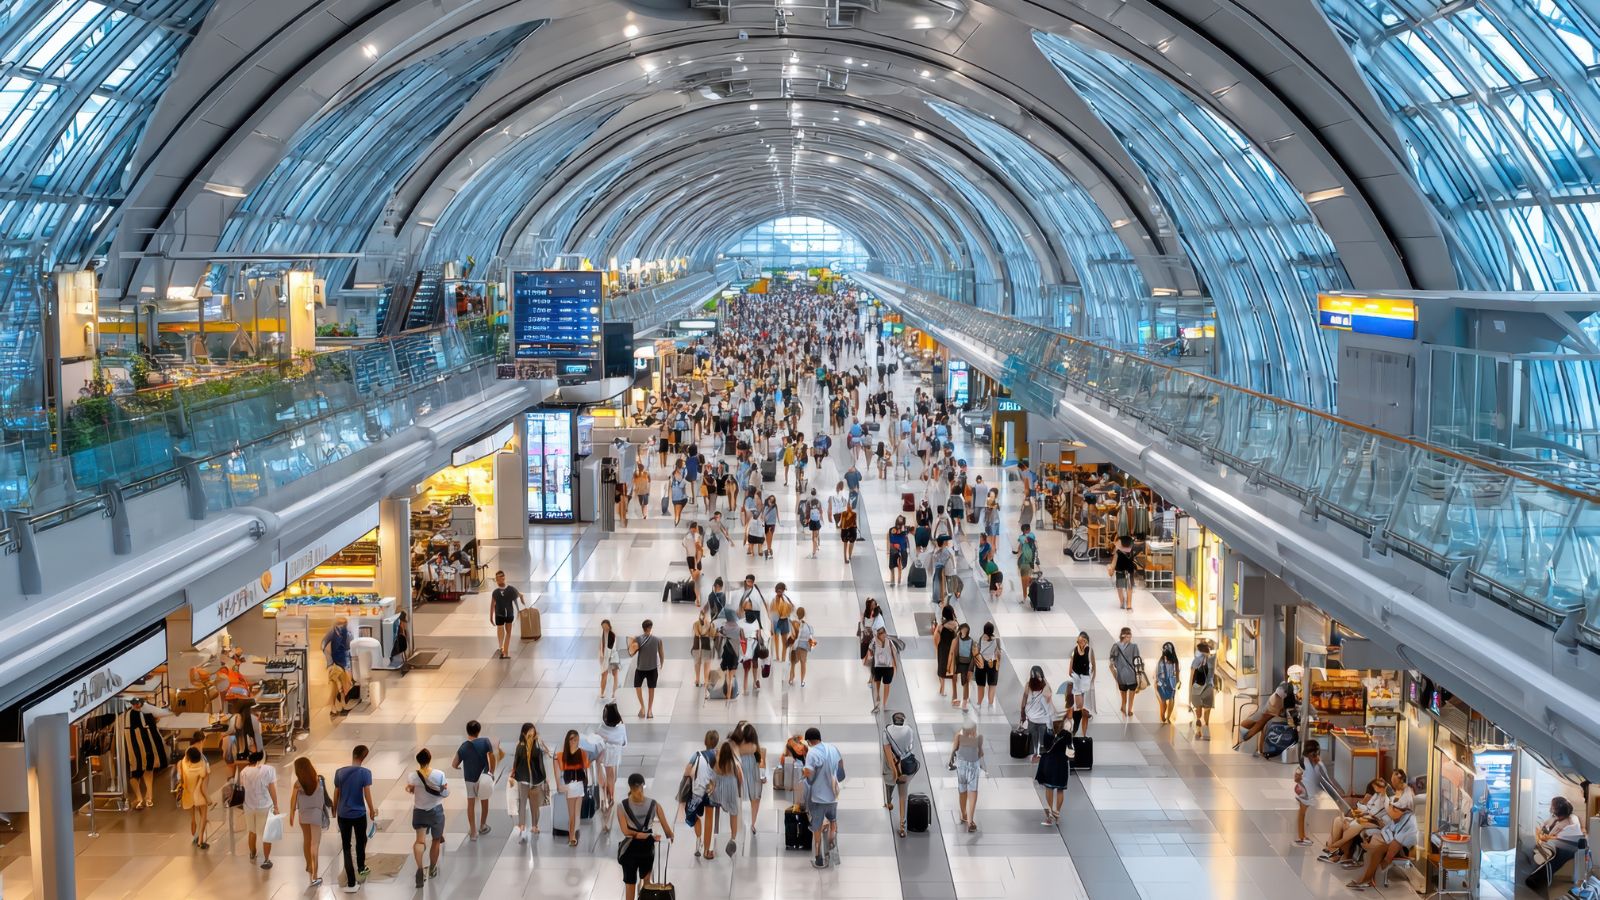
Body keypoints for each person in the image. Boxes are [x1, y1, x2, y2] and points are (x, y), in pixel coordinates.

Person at [616, 772, 674, 900]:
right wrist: (668, 837)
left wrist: (637, 834)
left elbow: (625, 831)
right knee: (647, 885)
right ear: (643, 786)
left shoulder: (621, 806)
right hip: (647, 849)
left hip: (629, 849)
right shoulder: (654, 804)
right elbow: (668, 831)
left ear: (629, 787)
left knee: (630, 884)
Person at [1346, 789, 1418, 891]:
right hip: (1390, 841)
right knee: (1372, 841)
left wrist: (1385, 861)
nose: (1391, 809)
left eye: (1394, 808)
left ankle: (1366, 880)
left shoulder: (1408, 822)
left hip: (1401, 849)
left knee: (1376, 849)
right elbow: (1386, 830)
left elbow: (1395, 844)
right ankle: (1367, 877)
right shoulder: (1398, 818)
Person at [331, 745, 374, 891]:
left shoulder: (340, 772)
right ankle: (361, 867)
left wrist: (334, 809)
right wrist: (372, 810)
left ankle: (350, 880)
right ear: (364, 757)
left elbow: (336, 792)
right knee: (361, 840)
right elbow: (367, 794)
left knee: (346, 846)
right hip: (359, 814)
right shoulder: (365, 773)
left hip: (343, 815)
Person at [801, 727, 844, 869]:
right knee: (832, 822)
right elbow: (841, 768)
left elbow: (810, 777)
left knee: (817, 827)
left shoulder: (812, 753)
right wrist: (836, 779)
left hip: (818, 798)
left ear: (809, 741)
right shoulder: (833, 748)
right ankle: (832, 852)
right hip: (833, 796)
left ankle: (819, 858)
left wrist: (806, 778)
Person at [1320, 778, 1391, 865]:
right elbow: (1362, 811)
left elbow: (1375, 815)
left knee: (1358, 824)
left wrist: (1363, 811)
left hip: (1380, 824)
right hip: (1369, 820)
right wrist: (1363, 802)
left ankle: (1334, 848)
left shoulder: (1386, 800)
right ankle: (1338, 854)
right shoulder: (1374, 799)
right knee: (1338, 820)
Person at [452, 719, 501, 840]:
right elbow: (492, 757)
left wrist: (458, 767)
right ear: (479, 731)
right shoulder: (485, 742)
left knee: (471, 804)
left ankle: (473, 832)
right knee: (484, 800)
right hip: (483, 776)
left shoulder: (463, 747)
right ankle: (483, 825)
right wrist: (491, 772)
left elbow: (454, 764)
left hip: (469, 778)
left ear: (467, 731)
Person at [406, 749, 448, 888]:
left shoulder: (412, 776)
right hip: (436, 811)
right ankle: (432, 869)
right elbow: (444, 791)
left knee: (420, 840)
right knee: (436, 840)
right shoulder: (439, 774)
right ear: (430, 759)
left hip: (419, 811)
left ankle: (419, 868)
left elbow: (411, 789)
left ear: (418, 761)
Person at [1236, 666, 1302, 753]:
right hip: (1273, 706)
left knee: (1263, 724)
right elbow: (1280, 693)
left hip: (1273, 706)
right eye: (1297, 674)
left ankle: (1256, 746)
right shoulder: (1287, 685)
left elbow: (1288, 698)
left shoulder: (1291, 685)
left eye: (1299, 674)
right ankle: (1247, 739)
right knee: (1260, 722)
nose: (1299, 676)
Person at [1525, 796, 1586, 889]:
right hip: (1560, 842)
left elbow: (1572, 833)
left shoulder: (1571, 819)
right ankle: (1534, 875)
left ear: (1557, 810)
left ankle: (1536, 879)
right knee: (1543, 850)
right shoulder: (1556, 818)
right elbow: (1545, 827)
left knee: (1555, 855)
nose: (1550, 808)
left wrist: (1549, 837)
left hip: (1571, 844)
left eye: (1552, 807)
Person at [289, 756, 332, 887]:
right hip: (316, 815)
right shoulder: (318, 779)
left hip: (303, 816)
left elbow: (293, 800)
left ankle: (308, 864)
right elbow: (325, 798)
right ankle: (314, 875)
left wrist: (291, 814)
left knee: (306, 841)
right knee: (315, 844)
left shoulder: (298, 783)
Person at [123, 697, 170, 809]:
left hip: (145, 745)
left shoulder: (141, 712)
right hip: (136, 745)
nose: (137, 705)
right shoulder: (132, 714)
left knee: (146, 769)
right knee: (137, 771)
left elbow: (155, 721)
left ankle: (148, 797)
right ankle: (141, 798)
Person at [511, 723, 551, 842]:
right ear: (524, 733)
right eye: (530, 732)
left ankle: (532, 826)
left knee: (532, 805)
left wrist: (540, 742)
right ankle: (524, 826)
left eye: (533, 731)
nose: (532, 734)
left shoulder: (535, 744)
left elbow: (547, 753)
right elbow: (516, 762)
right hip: (528, 780)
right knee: (526, 805)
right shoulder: (521, 746)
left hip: (534, 780)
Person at [239, 751, 279, 869]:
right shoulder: (268, 770)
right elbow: (272, 789)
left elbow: (243, 789)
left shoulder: (243, 772)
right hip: (265, 806)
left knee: (252, 831)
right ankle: (266, 860)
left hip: (249, 806)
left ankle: (252, 853)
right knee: (267, 834)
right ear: (261, 759)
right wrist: (276, 805)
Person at [947, 713, 985, 833]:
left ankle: (963, 814)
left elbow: (954, 749)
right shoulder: (979, 737)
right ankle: (970, 820)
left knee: (962, 790)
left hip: (961, 766)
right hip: (973, 766)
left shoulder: (958, 735)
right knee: (972, 792)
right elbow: (980, 753)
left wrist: (950, 762)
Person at [710, 740, 746, 857]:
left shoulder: (716, 762)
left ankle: (714, 833)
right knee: (733, 813)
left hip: (717, 793)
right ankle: (733, 837)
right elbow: (741, 779)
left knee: (715, 808)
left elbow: (712, 776)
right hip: (730, 793)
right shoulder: (734, 764)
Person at [882, 711, 915, 837]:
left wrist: (894, 769)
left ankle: (889, 802)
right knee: (903, 796)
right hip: (905, 767)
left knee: (889, 784)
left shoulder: (887, 731)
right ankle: (903, 826)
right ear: (903, 720)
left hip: (891, 766)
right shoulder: (909, 730)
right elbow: (911, 747)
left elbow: (887, 750)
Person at [557, 730, 592, 847]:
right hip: (570, 786)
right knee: (571, 814)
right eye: (571, 739)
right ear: (568, 740)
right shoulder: (564, 755)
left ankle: (572, 836)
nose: (573, 741)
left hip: (580, 784)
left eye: (575, 739)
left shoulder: (582, 753)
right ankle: (571, 835)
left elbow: (586, 768)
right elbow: (559, 766)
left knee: (576, 814)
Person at [733, 722, 767, 835]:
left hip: (740, 771)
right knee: (756, 797)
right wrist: (763, 776)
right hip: (754, 773)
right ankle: (753, 823)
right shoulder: (754, 747)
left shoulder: (736, 746)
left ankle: (738, 822)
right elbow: (761, 762)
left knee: (738, 797)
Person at [1034, 719, 1071, 825]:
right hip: (1062, 763)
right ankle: (1057, 814)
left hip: (1050, 763)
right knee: (1060, 789)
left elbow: (1045, 747)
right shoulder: (1067, 734)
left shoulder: (1048, 732)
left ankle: (1050, 816)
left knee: (1049, 788)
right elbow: (1070, 748)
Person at [1020, 665, 1057, 762]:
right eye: (1039, 677)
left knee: (1035, 738)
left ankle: (1036, 754)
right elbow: (1049, 701)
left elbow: (1024, 700)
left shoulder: (1029, 685)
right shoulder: (1045, 686)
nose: (1039, 679)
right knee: (1041, 739)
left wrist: (1022, 714)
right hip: (1041, 718)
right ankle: (1039, 755)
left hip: (1033, 717)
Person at [1295, 740, 1328, 845]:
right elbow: (1297, 777)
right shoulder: (1304, 762)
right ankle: (1302, 836)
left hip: (1307, 790)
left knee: (1304, 813)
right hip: (1304, 791)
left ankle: (1303, 836)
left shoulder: (1313, 762)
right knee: (1303, 813)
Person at [629, 619, 664, 719]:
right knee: (651, 689)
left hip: (640, 668)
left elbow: (632, 652)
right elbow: (661, 654)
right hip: (653, 668)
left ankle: (642, 707)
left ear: (643, 628)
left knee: (637, 686)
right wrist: (661, 664)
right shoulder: (658, 639)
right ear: (650, 627)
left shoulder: (638, 639)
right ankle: (650, 711)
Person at [596, 703, 628, 810]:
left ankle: (605, 795)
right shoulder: (622, 728)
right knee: (612, 774)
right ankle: (611, 796)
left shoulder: (601, 728)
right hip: (615, 755)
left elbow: (597, 740)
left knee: (604, 773)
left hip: (604, 754)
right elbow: (624, 743)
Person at [179, 744, 211, 849]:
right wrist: (208, 799)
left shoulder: (184, 764)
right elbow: (204, 787)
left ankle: (193, 820)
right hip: (199, 796)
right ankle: (200, 840)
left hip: (188, 794)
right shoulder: (202, 766)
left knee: (193, 813)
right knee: (203, 816)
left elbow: (184, 757)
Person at [321, 617, 355, 715]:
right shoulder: (332, 632)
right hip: (335, 662)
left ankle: (343, 703)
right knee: (335, 685)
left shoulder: (348, 633)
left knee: (345, 683)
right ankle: (333, 705)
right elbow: (323, 645)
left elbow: (350, 648)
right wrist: (329, 661)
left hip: (344, 662)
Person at [1109, 627, 1142, 717]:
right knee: (1124, 695)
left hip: (1129, 675)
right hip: (1125, 676)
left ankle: (1128, 709)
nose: (1130, 636)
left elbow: (1137, 660)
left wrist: (1117, 665)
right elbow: (1112, 658)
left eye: (1130, 634)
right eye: (1128, 634)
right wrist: (1115, 664)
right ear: (1123, 635)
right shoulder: (1117, 646)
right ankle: (1124, 707)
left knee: (1130, 694)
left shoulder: (1133, 646)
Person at [1067, 632, 1095, 734]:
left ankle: (1082, 733)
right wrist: (1071, 672)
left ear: (1086, 641)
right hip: (1078, 680)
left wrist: (1092, 679)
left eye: (1083, 640)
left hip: (1086, 680)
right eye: (1080, 640)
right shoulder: (1075, 650)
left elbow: (1093, 666)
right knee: (1079, 707)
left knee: (1083, 707)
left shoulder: (1089, 651)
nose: (1081, 642)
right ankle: (1075, 730)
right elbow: (1071, 663)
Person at [490, 571, 521, 660]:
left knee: (504, 631)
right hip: (506, 614)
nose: (497, 580)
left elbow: (492, 605)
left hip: (502, 614)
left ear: (503, 578)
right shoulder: (509, 589)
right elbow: (515, 601)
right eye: (497, 578)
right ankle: (504, 650)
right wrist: (518, 611)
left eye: (498, 578)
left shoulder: (497, 592)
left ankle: (502, 649)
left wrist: (491, 616)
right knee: (507, 633)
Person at [1189, 640, 1216, 740]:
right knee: (1207, 710)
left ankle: (1198, 730)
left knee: (1198, 711)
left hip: (1197, 688)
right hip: (1209, 687)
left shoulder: (1196, 660)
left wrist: (1189, 693)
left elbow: (1191, 678)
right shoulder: (1212, 659)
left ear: (1199, 650)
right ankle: (1206, 729)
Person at [868, 626, 897, 713]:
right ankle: (877, 702)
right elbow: (870, 649)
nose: (883, 636)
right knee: (877, 684)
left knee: (886, 685)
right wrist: (872, 655)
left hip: (888, 667)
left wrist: (895, 666)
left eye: (884, 634)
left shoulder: (890, 642)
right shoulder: (874, 641)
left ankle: (883, 704)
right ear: (878, 635)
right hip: (878, 666)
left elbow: (893, 653)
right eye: (881, 634)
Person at [932, 605, 959, 701]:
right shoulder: (956, 625)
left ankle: (942, 689)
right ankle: (954, 692)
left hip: (943, 649)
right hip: (953, 649)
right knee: (952, 668)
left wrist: (937, 646)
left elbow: (935, 638)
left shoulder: (941, 626)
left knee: (941, 668)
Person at [947, 622, 975, 710]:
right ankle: (955, 698)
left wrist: (971, 669)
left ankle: (965, 701)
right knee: (954, 680)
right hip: (957, 663)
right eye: (963, 629)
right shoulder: (956, 640)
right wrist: (948, 665)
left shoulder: (971, 641)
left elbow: (973, 656)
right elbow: (951, 653)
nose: (964, 631)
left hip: (966, 664)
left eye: (966, 630)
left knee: (965, 682)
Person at [973, 622, 1001, 710]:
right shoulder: (997, 640)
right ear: (992, 630)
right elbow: (999, 653)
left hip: (981, 663)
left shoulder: (981, 638)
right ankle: (990, 704)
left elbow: (976, 651)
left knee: (980, 685)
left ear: (984, 630)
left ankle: (979, 703)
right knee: (992, 685)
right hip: (992, 663)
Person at [1154, 642, 1181, 725]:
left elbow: (1177, 672)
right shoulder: (1161, 661)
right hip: (1161, 684)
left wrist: (1178, 681)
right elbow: (1156, 673)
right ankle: (1162, 715)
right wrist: (1157, 682)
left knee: (1172, 699)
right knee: (1163, 703)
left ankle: (1168, 717)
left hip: (1172, 683)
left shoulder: (1175, 661)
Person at [1109, 535, 1137, 610]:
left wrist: (1111, 569)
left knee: (1120, 587)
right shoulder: (1131, 551)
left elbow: (1113, 563)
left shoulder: (1118, 552)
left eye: (1118, 543)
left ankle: (1123, 602)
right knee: (1128, 587)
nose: (1116, 544)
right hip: (1128, 570)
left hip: (1121, 571)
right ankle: (1128, 604)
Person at [789, 606, 815, 686]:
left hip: (795, 647)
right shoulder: (807, 624)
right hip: (804, 647)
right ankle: (802, 681)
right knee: (803, 663)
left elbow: (793, 635)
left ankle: (791, 679)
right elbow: (811, 634)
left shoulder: (794, 623)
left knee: (793, 663)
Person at [692, 605, 716, 688]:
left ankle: (697, 680)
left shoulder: (695, 624)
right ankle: (706, 682)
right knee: (707, 665)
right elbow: (713, 635)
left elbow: (696, 634)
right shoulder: (710, 624)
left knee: (697, 663)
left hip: (696, 645)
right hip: (706, 645)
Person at [769, 582, 794, 661]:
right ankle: (777, 657)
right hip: (776, 622)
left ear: (783, 591)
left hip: (784, 621)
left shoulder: (786, 600)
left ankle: (783, 658)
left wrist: (787, 611)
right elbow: (771, 612)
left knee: (784, 641)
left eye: (781, 591)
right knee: (776, 640)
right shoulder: (773, 600)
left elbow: (792, 608)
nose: (779, 593)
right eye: (778, 591)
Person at [1014, 524, 1039, 602]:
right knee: (1026, 578)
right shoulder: (1033, 536)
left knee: (1023, 580)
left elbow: (1020, 546)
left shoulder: (1022, 538)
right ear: (1029, 529)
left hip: (1024, 562)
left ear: (1023, 531)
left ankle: (1024, 597)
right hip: (1031, 561)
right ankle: (1031, 580)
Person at [598, 619, 622, 700]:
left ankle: (614, 693)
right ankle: (602, 692)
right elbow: (601, 646)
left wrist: (607, 657)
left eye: (605, 626)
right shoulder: (601, 634)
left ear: (609, 625)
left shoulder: (613, 635)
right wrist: (601, 654)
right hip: (605, 657)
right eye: (603, 627)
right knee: (603, 675)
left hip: (613, 657)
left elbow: (612, 648)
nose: (604, 628)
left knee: (615, 675)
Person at [886, 515, 910, 586]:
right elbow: (889, 540)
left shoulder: (905, 530)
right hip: (895, 549)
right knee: (893, 566)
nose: (899, 525)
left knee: (899, 565)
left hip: (901, 549)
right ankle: (893, 580)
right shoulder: (892, 530)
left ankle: (897, 581)